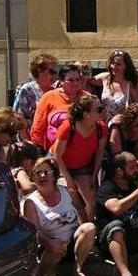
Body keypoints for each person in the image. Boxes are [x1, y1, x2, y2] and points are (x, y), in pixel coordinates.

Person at [16, 157, 97, 276]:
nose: (42, 176)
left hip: (72, 242)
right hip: (50, 248)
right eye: (37, 173)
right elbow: (34, 232)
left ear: (54, 175)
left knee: (89, 228)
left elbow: (81, 210)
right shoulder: (31, 202)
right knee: (55, 247)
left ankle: (77, 270)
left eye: (46, 172)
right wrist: (50, 243)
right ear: (33, 177)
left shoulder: (67, 192)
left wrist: (90, 240)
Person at [53, 94, 108, 222]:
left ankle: (89, 227)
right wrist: (69, 180)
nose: (102, 111)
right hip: (62, 165)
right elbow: (57, 156)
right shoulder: (68, 127)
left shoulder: (101, 128)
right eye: (98, 109)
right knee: (74, 200)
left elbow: (99, 153)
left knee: (91, 200)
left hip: (83, 166)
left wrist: (94, 176)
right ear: (86, 114)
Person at [31, 64, 88, 150]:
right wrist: (39, 150)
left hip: (82, 151)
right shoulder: (48, 97)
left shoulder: (87, 98)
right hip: (54, 152)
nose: (75, 83)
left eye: (77, 79)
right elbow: (38, 127)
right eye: (70, 80)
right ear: (61, 81)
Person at [13, 53, 58, 135]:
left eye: (55, 72)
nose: (54, 75)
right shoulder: (27, 90)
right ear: (39, 71)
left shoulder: (55, 90)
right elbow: (18, 118)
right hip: (32, 138)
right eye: (51, 72)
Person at [95, 50, 138, 122]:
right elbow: (85, 80)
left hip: (121, 127)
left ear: (126, 66)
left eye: (118, 64)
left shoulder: (132, 86)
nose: (114, 67)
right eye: (112, 63)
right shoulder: (104, 78)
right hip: (104, 127)